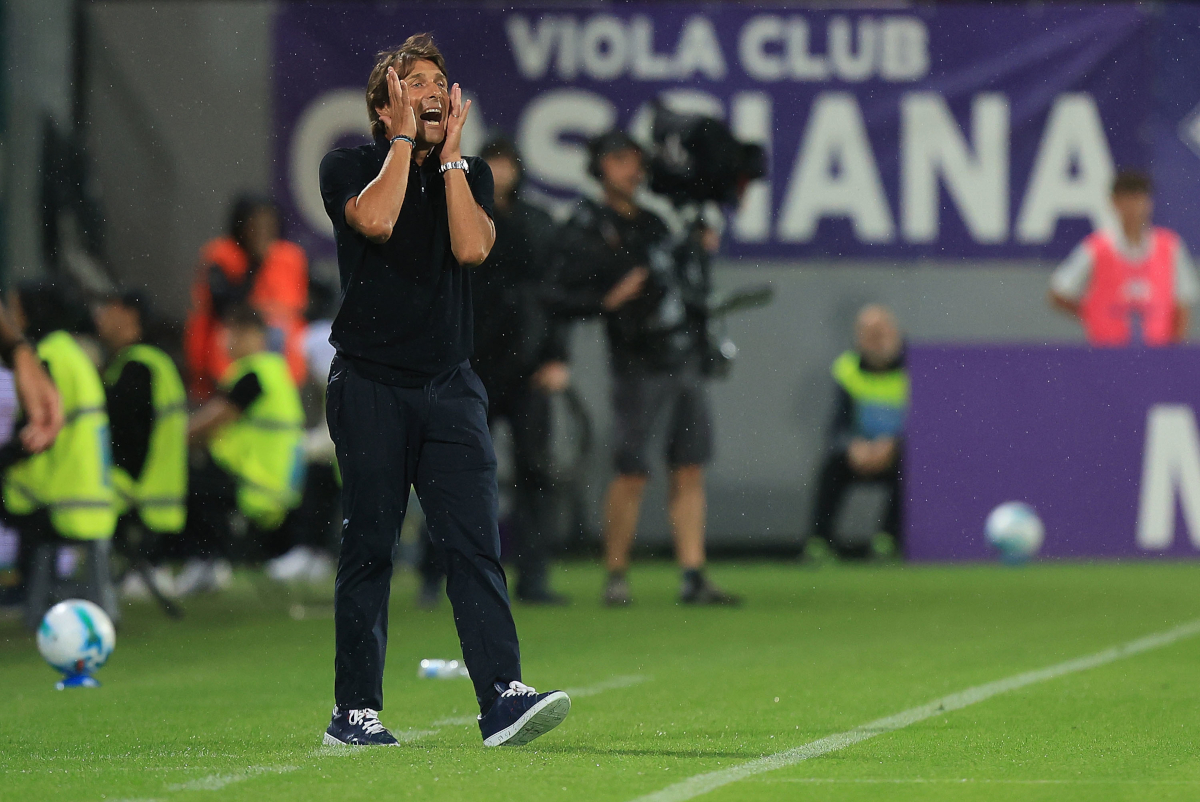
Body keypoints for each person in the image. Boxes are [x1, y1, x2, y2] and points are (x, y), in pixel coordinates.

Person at [316, 34, 570, 747]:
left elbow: (471, 248)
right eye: (412, 82)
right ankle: (354, 713)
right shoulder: (351, 164)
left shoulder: (469, 175)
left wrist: (452, 157)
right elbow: (376, 220)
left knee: (474, 543)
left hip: (451, 385)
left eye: (438, 82)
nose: (430, 91)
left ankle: (501, 697)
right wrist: (403, 142)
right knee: (370, 545)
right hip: (369, 382)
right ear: (382, 102)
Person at [556, 129, 738, 607]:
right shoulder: (585, 225)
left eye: (636, 161)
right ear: (599, 168)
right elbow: (555, 293)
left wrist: (698, 251)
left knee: (689, 465)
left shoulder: (656, 224)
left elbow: (684, 283)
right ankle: (616, 575)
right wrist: (604, 299)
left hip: (681, 355)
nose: (632, 170)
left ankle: (693, 573)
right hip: (637, 361)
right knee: (632, 471)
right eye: (619, 160)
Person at [418, 136, 570, 606]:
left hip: (526, 371)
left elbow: (555, 297)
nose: (502, 173)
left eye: (508, 164)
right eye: (494, 164)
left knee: (536, 475)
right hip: (468, 367)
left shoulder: (539, 224)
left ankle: (535, 578)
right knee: (451, 471)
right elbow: (435, 289)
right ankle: (433, 573)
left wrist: (556, 357)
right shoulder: (454, 215)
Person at [0, 279, 117, 619]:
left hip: (60, 498)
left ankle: (25, 589)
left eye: (14, 307)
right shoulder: (72, 352)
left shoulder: (48, 356)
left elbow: (35, 433)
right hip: (92, 496)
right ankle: (27, 587)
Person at [178, 305, 306, 595]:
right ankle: (209, 560)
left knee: (185, 481)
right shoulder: (273, 371)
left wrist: (173, 437)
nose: (227, 340)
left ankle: (204, 562)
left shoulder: (255, 374)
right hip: (273, 482)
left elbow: (212, 421)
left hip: (254, 482)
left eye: (234, 332)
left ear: (255, 335)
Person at [95, 290, 188, 598]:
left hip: (136, 489)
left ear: (129, 315)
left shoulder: (137, 367)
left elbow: (127, 439)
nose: (101, 317)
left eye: (108, 307)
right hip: (161, 489)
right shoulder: (152, 362)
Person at [1049, 170, 1200, 346]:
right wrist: (1095, 316)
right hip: (1107, 354)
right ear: (1114, 202)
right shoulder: (1097, 248)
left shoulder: (1170, 247)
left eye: (1138, 199)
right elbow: (1059, 292)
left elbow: (1182, 306)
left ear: (1149, 202)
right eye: (1126, 199)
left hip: (1158, 356)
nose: (1133, 207)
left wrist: (1173, 356)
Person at [184, 195, 310, 401]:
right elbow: (224, 305)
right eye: (255, 225)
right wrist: (257, 263)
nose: (262, 232)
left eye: (268, 225)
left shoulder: (290, 256)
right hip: (230, 360)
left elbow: (307, 304)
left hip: (284, 364)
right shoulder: (221, 255)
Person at [809, 304, 907, 559]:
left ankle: (888, 540)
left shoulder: (916, 368)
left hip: (899, 454)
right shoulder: (847, 369)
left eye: (881, 331)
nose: (876, 339)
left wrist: (895, 445)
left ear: (894, 332)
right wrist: (853, 446)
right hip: (859, 453)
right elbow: (837, 426)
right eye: (868, 333)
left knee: (915, 465)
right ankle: (819, 542)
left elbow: (928, 426)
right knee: (831, 465)